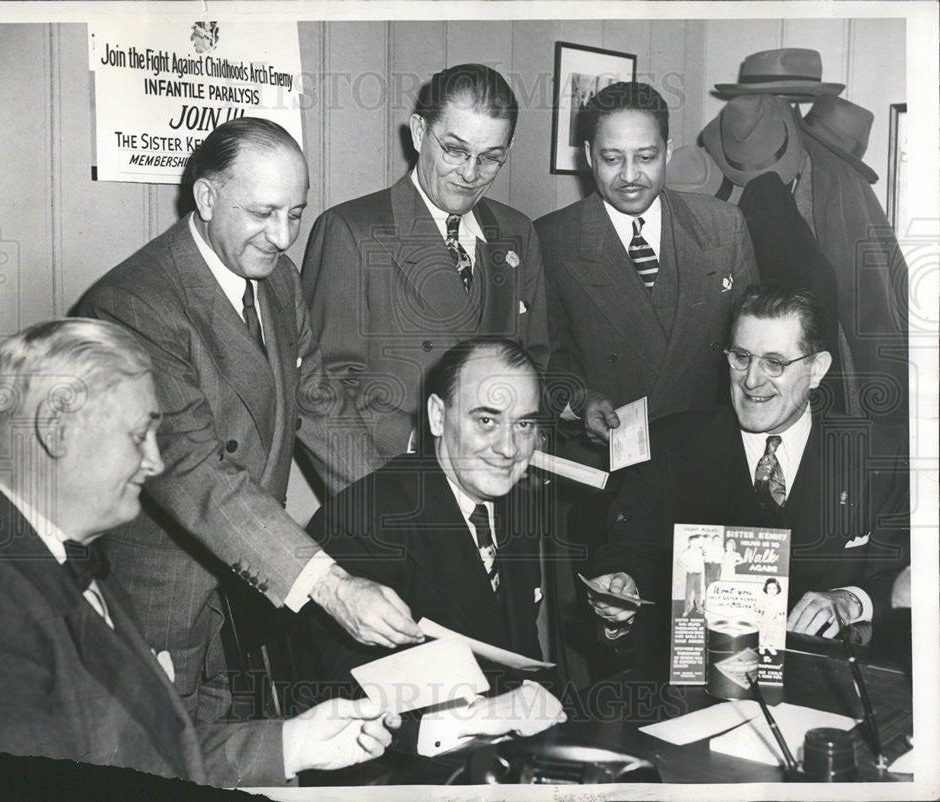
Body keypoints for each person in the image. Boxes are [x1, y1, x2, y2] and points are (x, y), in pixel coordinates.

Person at [77, 118, 422, 724]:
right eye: (264, 213)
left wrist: (403, 525)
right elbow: (194, 472)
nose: (284, 236)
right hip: (164, 600)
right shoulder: (136, 305)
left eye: (296, 212)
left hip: (253, 585)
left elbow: (320, 407)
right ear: (207, 198)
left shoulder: (277, 280)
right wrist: (334, 586)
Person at [0, 319, 400, 786]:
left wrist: (294, 743)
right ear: (55, 431)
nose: (156, 462)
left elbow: (147, 756)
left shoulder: (72, 559)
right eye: (139, 436)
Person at [585, 286, 909, 672]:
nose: (752, 380)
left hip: (832, 691)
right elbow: (627, 553)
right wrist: (622, 588)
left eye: (774, 363)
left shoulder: (878, 454)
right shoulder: (669, 447)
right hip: (696, 689)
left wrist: (851, 600)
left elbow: (909, 575)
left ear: (817, 368)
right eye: (741, 358)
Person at [304, 337, 564, 756]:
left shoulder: (516, 505)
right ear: (438, 417)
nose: (509, 448)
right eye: (487, 421)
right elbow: (348, 703)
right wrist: (489, 717)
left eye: (524, 425)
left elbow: (518, 655)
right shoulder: (365, 518)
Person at [302, 64, 550, 458]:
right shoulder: (351, 231)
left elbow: (535, 359)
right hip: (399, 476)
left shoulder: (518, 232)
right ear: (419, 133)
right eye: (454, 150)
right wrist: (420, 438)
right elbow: (324, 387)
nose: (470, 173)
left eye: (490, 158)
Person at [534, 81, 758, 465]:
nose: (630, 176)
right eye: (612, 159)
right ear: (588, 156)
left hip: (705, 456)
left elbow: (754, 344)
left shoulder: (723, 226)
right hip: (602, 466)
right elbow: (541, 358)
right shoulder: (551, 239)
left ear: (667, 152)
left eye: (646, 157)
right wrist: (580, 400)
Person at [676, 537, 705, 616]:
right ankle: (687, 609)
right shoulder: (687, 552)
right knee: (689, 593)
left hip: (698, 574)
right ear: (690, 543)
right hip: (691, 575)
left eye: (697, 542)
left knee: (698, 592)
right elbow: (679, 561)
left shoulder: (699, 551)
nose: (696, 544)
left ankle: (699, 607)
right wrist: (686, 567)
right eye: (694, 542)